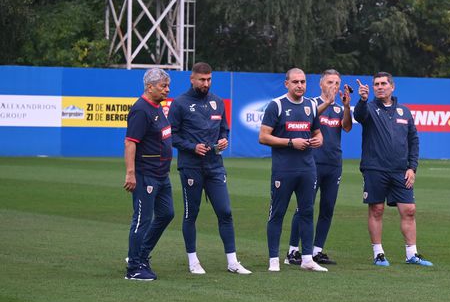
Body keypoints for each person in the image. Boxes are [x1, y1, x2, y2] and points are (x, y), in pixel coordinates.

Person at [169, 62, 251, 276]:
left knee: (225, 212)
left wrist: (224, 140)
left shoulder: (217, 102)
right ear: (192, 79)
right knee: (191, 214)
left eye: (209, 80)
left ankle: (233, 262)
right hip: (191, 168)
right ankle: (193, 261)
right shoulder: (179, 104)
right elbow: (172, 136)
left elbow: (224, 128)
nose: (206, 83)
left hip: (215, 167)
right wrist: (191, 147)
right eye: (202, 80)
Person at [354, 72, 431, 267]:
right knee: (377, 209)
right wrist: (362, 100)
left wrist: (412, 168)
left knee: (409, 210)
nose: (379, 87)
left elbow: (413, 140)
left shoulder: (404, 112)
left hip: (400, 171)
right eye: (376, 84)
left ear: (392, 87)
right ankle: (378, 253)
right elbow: (358, 116)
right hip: (375, 169)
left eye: (383, 84)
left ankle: (411, 254)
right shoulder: (369, 108)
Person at [259, 68, 326, 273]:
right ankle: (273, 260)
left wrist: (318, 139)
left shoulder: (311, 106)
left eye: (303, 82)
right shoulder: (276, 105)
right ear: (286, 84)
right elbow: (263, 137)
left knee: (307, 212)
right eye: (295, 82)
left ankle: (307, 258)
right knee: (277, 214)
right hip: (284, 170)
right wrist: (290, 142)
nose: (300, 85)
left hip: (307, 168)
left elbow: (317, 131)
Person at [287, 70, 352, 267]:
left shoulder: (340, 108)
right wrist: (329, 101)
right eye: (330, 82)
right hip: (312, 163)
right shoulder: (311, 104)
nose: (334, 85)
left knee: (327, 208)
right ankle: (293, 251)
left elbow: (347, 127)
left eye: (337, 82)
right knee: (304, 207)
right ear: (321, 84)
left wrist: (347, 107)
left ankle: (317, 251)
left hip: (334, 164)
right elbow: (310, 120)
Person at [123, 68, 175, 281]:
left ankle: (141, 255)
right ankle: (134, 267)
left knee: (166, 214)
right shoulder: (141, 110)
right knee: (142, 220)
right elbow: (130, 142)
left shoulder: (157, 108)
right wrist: (131, 173)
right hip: (146, 174)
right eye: (163, 86)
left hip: (162, 174)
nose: (167, 89)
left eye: (167, 85)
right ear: (149, 86)